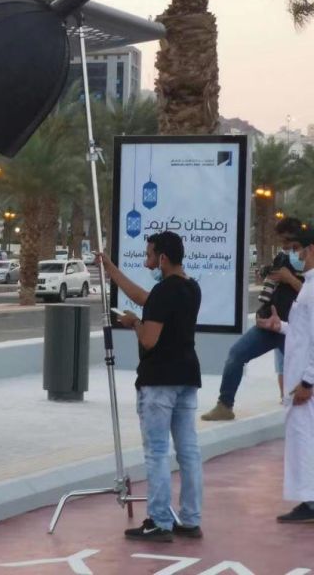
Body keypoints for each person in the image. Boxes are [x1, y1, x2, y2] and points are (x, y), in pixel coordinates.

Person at [97, 231, 203, 542]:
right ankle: (190, 519)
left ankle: (158, 521)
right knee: (189, 452)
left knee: (157, 452)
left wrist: (133, 324)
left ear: (164, 259)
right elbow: (148, 299)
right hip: (187, 377)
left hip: (159, 382)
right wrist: (112, 270)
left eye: (149, 256)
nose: (147, 263)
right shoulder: (190, 288)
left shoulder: (164, 293)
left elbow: (148, 339)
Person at [202, 217, 304, 421]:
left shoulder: (309, 263)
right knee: (236, 354)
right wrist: (262, 311)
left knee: (301, 374)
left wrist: (290, 279)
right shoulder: (283, 259)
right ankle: (225, 405)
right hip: (270, 326)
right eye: (281, 242)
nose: (284, 247)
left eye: (288, 241)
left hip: (296, 330)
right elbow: (272, 289)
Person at [255, 228, 314, 522]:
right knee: (302, 439)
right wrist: (280, 328)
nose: (295, 255)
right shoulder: (309, 287)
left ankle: (310, 502)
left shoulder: (313, 289)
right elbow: (304, 334)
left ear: (311, 249)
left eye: (297, 249)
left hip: (306, 384)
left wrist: (308, 381)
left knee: (304, 440)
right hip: (301, 378)